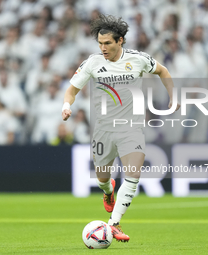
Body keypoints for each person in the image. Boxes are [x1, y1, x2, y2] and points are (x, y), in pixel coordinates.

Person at [62, 14, 180, 242]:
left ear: (120, 41)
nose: (103, 48)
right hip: (103, 130)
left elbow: (163, 71)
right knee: (102, 178)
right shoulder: (93, 63)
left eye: (107, 43)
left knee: (134, 174)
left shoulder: (138, 59)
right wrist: (67, 106)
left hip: (131, 128)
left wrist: (173, 97)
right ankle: (108, 191)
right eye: (100, 43)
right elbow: (72, 90)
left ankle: (113, 224)